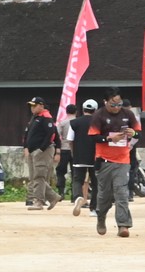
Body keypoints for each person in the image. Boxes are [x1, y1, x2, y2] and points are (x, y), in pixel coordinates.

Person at [90, 91, 139, 237]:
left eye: (119, 104)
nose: (116, 107)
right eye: (113, 105)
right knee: (104, 196)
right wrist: (109, 139)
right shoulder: (98, 115)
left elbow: (139, 133)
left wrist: (133, 133)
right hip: (104, 160)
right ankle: (101, 217)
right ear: (105, 102)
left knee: (121, 193)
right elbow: (93, 137)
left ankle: (123, 225)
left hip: (123, 160)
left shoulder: (128, 114)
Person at [22, 97, 59, 209]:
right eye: (31, 106)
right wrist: (26, 147)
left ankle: (38, 201)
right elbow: (27, 133)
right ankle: (53, 197)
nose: (32, 108)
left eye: (34, 105)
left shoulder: (46, 117)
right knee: (35, 177)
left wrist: (41, 149)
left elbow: (51, 134)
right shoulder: (35, 117)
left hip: (42, 151)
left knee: (39, 176)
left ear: (41, 105)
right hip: (32, 150)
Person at [69, 97, 99, 216]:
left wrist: (74, 152)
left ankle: (78, 196)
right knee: (96, 183)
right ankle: (94, 208)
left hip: (79, 155)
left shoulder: (74, 123)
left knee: (77, 179)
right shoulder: (99, 123)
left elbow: (70, 140)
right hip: (95, 157)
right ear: (95, 110)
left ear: (83, 109)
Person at [56, 102, 78, 198]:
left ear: (66, 112)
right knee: (75, 172)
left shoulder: (63, 123)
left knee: (60, 171)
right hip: (76, 149)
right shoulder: (78, 122)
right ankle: (75, 194)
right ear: (76, 112)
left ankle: (61, 192)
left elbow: (57, 135)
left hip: (64, 148)